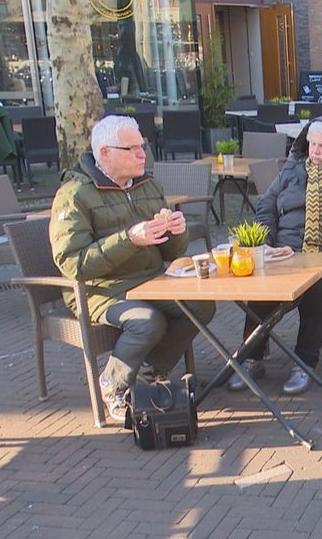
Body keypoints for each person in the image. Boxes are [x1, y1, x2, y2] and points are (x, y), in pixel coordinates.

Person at [49, 116, 215, 421]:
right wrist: (128, 239)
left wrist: (177, 232)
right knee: (147, 321)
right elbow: (74, 264)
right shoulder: (73, 195)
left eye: (142, 146)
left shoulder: (148, 185)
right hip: (101, 290)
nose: (142, 154)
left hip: (150, 281)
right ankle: (112, 385)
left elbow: (171, 253)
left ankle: (147, 376)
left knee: (201, 305)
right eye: (131, 148)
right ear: (104, 154)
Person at [230, 114, 322, 394]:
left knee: (316, 287)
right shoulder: (293, 170)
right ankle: (251, 358)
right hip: (284, 251)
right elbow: (266, 205)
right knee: (261, 287)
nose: (314, 151)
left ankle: (304, 362)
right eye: (311, 144)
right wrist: (267, 242)